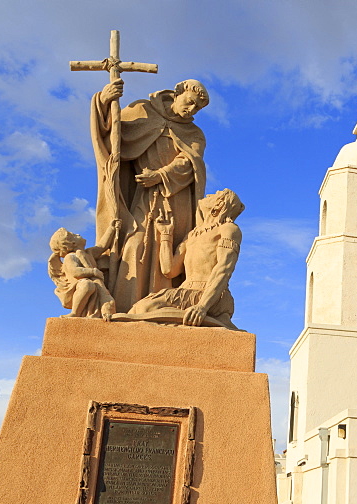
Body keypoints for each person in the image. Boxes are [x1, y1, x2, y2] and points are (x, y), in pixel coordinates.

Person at [90, 78, 210, 311]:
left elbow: (190, 163)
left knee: (168, 255)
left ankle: (159, 309)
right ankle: (125, 308)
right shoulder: (143, 110)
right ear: (178, 92)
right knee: (134, 245)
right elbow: (111, 135)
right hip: (142, 196)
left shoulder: (194, 134)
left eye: (197, 108)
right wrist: (105, 101)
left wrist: (161, 174)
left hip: (176, 199)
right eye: (190, 102)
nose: (191, 110)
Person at [113, 189, 244, 328]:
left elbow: (224, 269)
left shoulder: (228, 229)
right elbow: (169, 270)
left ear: (219, 204)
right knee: (139, 309)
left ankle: (213, 320)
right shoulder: (192, 235)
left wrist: (202, 307)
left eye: (216, 194)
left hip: (212, 296)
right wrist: (166, 234)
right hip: (186, 292)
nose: (212, 193)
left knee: (145, 309)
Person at [48, 222, 119, 320]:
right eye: (74, 235)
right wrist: (93, 272)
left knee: (107, 300)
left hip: (97, 285)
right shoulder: (70, 257)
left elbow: (102, 246)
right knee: (87, 285)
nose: (78, 234)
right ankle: (75, 313)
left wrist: (111, 229)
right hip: (79, 285)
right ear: (71, 244)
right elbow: (76, 272)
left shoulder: (89, 253)